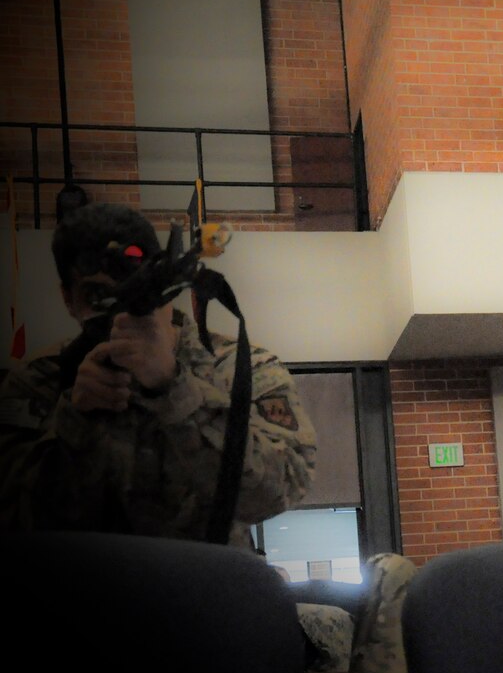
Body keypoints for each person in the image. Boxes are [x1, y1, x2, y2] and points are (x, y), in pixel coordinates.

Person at [0, 203, 316, 548]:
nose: (120, 313)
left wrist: (175, 388)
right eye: (98, 296)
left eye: (134, 289)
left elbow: (279, 492)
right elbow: (15, 521)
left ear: (168, 285)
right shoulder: (37, 380)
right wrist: (75, 422)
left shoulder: (241, 369)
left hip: (206, 590)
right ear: (68, 300)